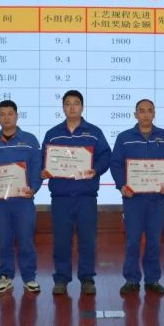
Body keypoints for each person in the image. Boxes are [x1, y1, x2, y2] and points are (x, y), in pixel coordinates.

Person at [41, 90, 112, 295]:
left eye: (76, 103)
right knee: (61, 240)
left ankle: (87, 278)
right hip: (61, 196)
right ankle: (61, 278)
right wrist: (44, 170)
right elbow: (43, 158)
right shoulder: (53, 134)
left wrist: (96, 170)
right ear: (63, 107)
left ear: (82, 106)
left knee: (87, 239)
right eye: (68, 103)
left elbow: (105, 156)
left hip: (86, 196)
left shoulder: (94, 132)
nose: (72, 107)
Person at [110, 99, 164, 295]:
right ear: (135, 114)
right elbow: (115, 164)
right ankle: (131, 279)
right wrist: (122, 185)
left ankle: (152, 280)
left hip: (157, 199)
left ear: (154, 113)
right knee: (132, 240)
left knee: (154, 241)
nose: (146, 114)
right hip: (133, 199)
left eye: (149, 110)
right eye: (141, 111)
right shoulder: (124, 138)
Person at [0, 100, 42, 294]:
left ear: (17, 115)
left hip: (23, 201)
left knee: (26, 240)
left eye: (10, 113)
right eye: (2, 114)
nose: (6, 118)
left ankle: (29, 277)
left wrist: (34, 188)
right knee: (4, 241)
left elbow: (36, 167)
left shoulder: (30, 140)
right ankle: (6, 276)